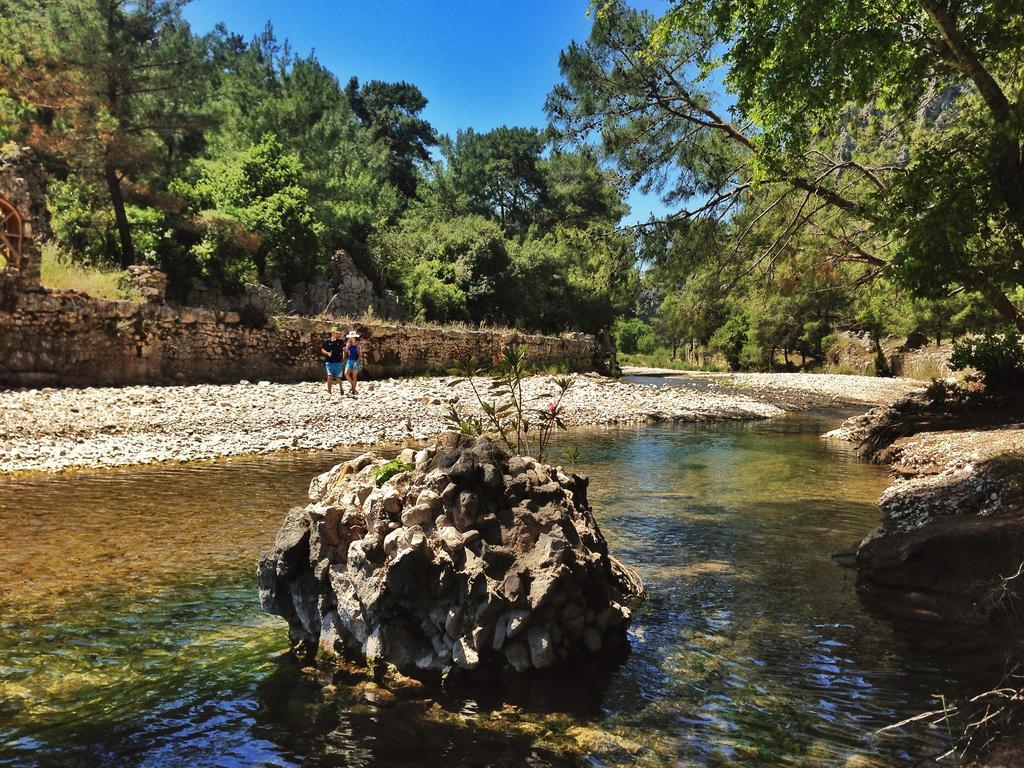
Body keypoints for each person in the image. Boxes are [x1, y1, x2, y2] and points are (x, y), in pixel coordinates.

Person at [320, 327, 346, 395]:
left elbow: (344, 350)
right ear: (333, 333)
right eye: (338, 333)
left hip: (338, 362)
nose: (339, 335)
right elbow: (322, 349)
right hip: (329, 362)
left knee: (338, 378)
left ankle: (341, 388)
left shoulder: (340, 342)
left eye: (340, 334)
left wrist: (344, 356)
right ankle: (329, 391)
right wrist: (327, 353)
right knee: (329, 376)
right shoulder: (326, 341)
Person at [343, 330, 363, 396]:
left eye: (351, 337)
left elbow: (360, 355)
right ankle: (353, 385)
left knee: (354, 376)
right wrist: (345, 348)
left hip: (356, 361)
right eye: (350, 337)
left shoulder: (358, 344)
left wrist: (356, 362)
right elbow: (346, 351)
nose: (350, 338)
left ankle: (353, 390)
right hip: (349, 360)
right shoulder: (348, 343)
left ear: (354, 337)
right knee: (346, 374)